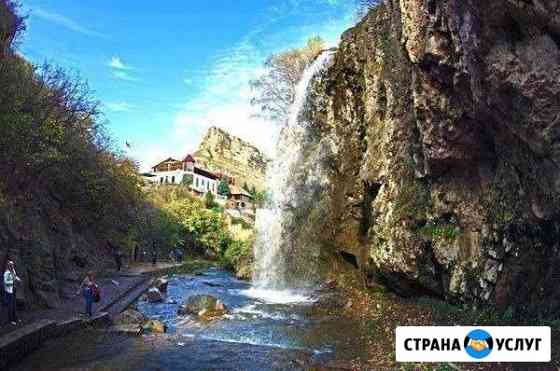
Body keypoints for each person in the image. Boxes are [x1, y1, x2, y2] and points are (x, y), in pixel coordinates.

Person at [4, 260, 21, 325]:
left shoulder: (13, 271)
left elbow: (15, 276)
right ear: (8, 266)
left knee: (14, 304)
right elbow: (5, 282)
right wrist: (12, 282)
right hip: (9, 291)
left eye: (12, 264)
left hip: (14, 289)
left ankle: (15, 318)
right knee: (10, 305)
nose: (12, 266)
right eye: (10, 265)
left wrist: (18, 279)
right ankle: (11, 320)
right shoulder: (6, 273)